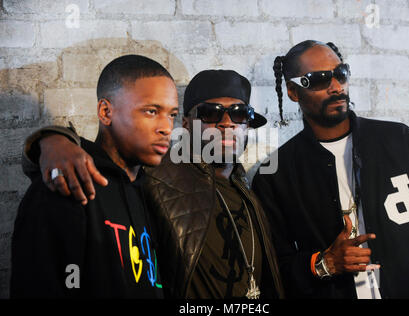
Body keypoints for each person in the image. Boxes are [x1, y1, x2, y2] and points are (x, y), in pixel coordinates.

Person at [19, 70, 284, 299]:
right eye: (211, 113)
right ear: (187, 124)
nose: (227, 124)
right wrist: (51, 140)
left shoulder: (247, 186)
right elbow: (105, 159)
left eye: (240, 114)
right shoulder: (159, 172)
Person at [251, 40, 409, 299]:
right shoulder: (275, 175)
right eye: (319, 79)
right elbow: (273, 271)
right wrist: (324, 263)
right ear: (293, 91)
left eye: (340, 73)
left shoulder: (403, 142)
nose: (335, 86)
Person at [10, 55, 179, 298]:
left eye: (171, 114)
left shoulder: (148, 191)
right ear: (105, 111)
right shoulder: (68, 183)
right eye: (151, 111)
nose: (166, 127)